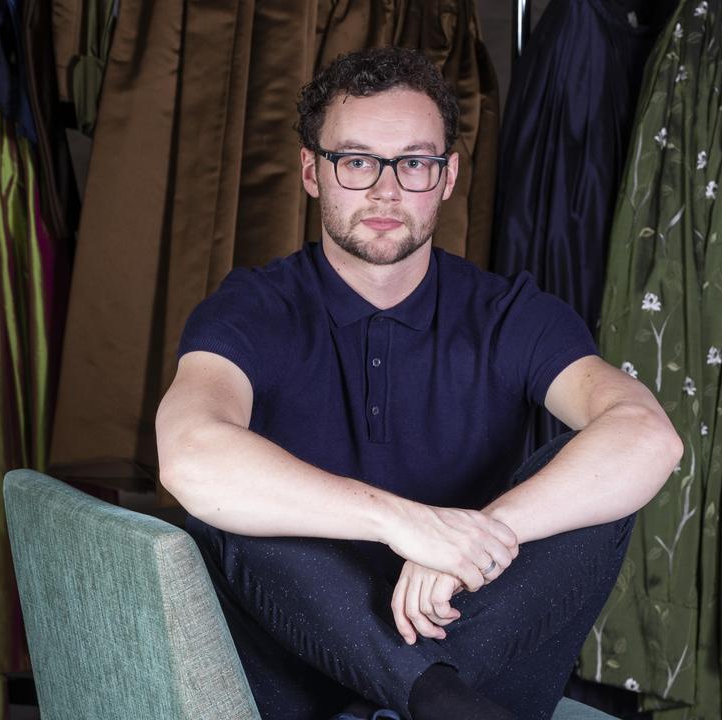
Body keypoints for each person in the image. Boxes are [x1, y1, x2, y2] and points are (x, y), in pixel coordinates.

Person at [155, 47, 682, 720]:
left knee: (589, 480)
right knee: (240, 502)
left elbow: (650, 439)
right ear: (312, 171)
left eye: (413, 162)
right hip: (303, 667)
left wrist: (477, 537)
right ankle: (433, 699)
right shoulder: (254, 307)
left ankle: (419, 697)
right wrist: (405, 525)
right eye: (356, 161)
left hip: (479, 650)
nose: (385, 189)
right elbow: (190, 454)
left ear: (448, 176)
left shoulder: (510, 312)